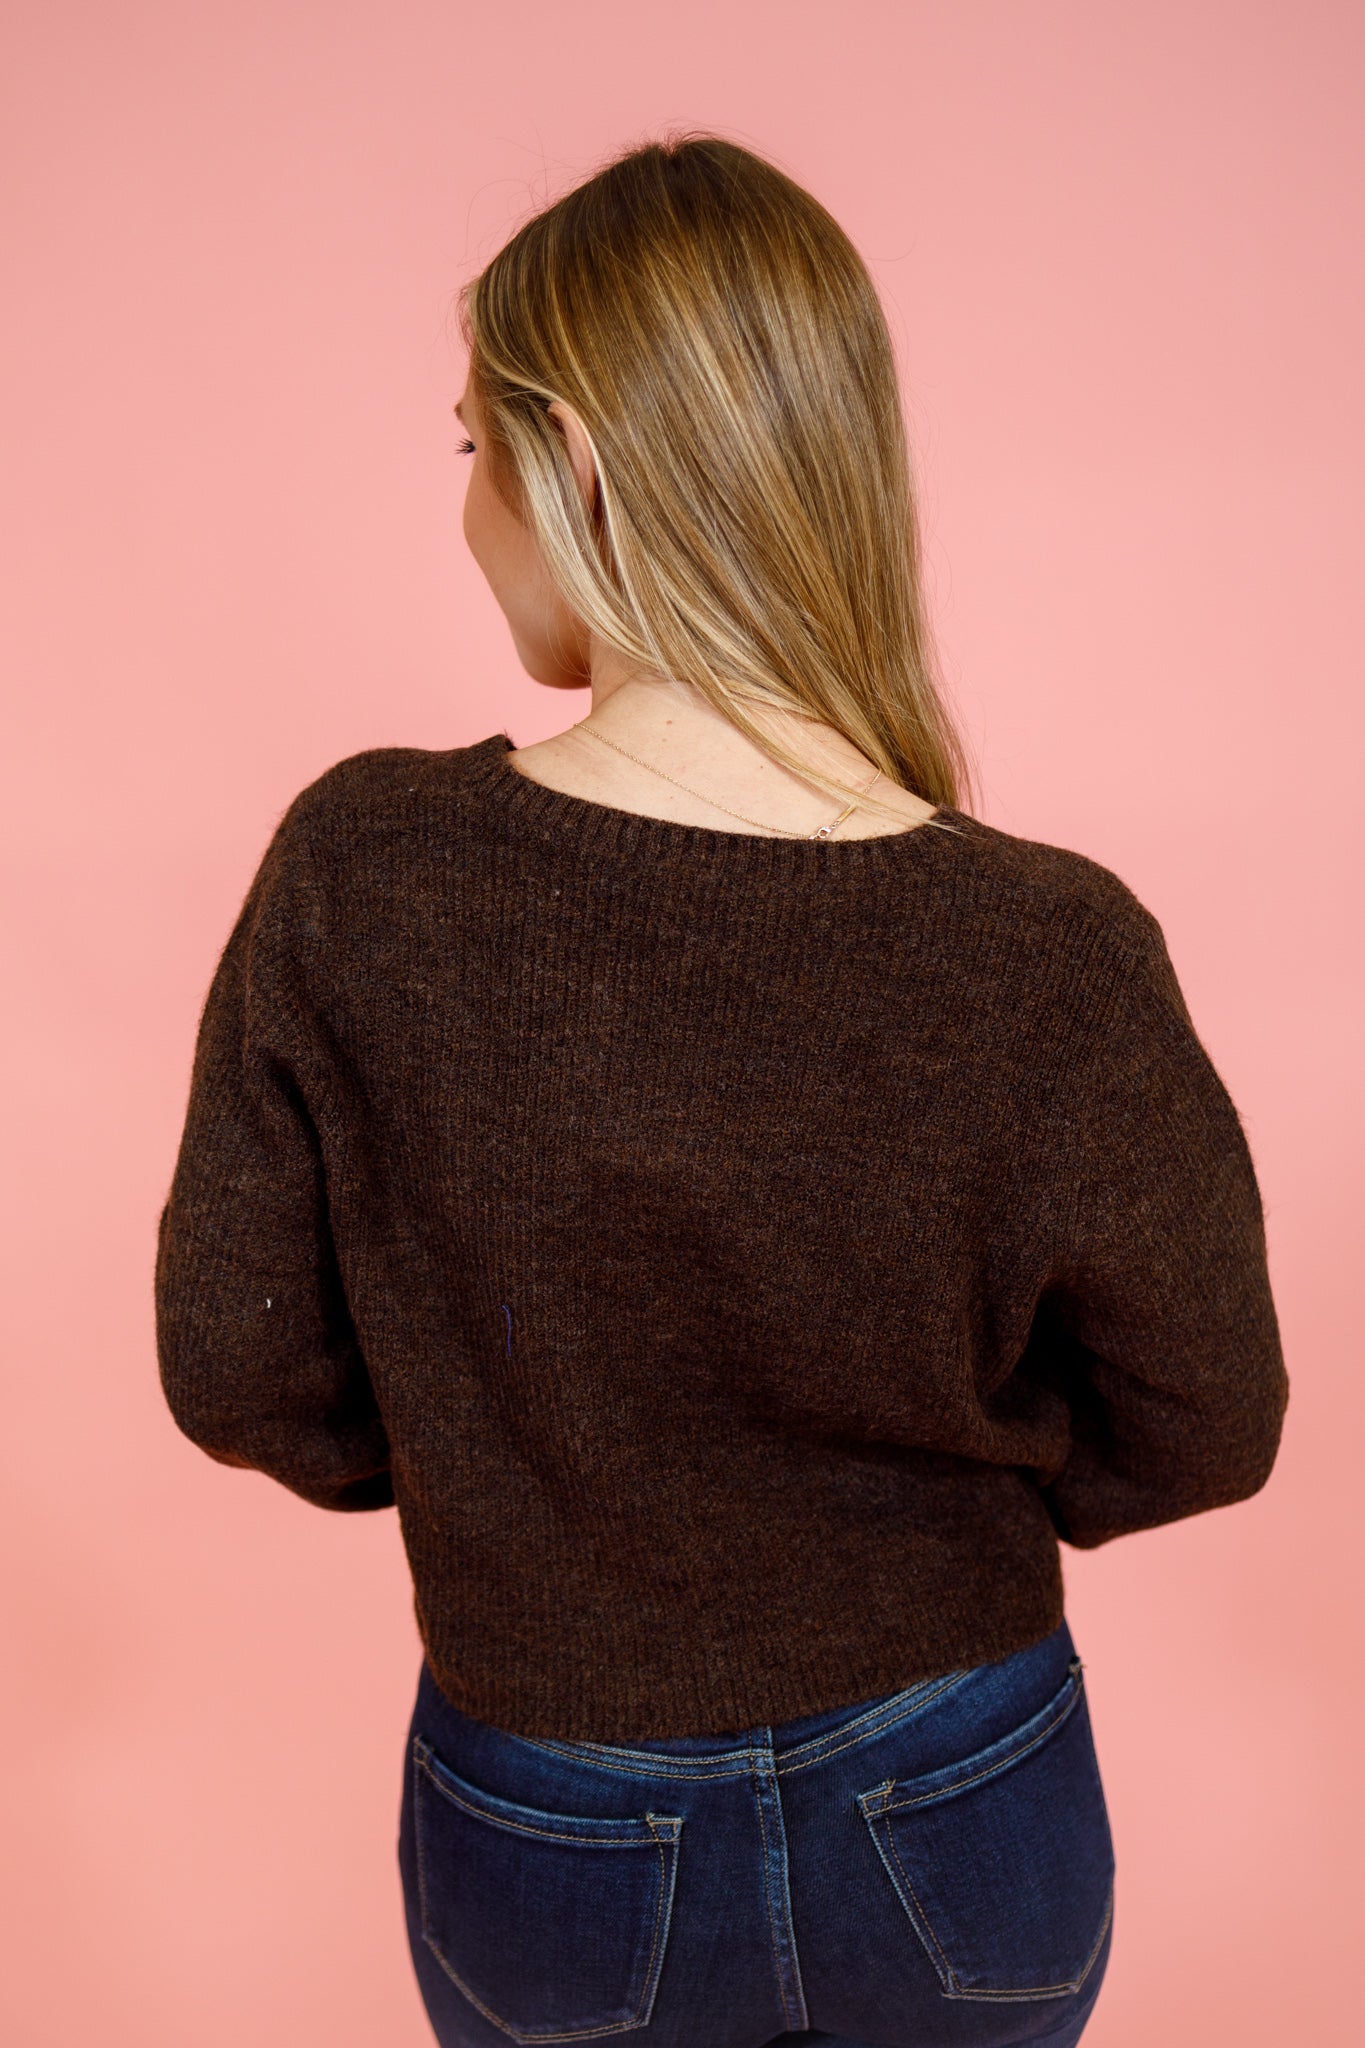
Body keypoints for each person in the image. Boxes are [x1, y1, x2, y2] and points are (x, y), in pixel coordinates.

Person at [155, 135, 1288, 2048]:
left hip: (553, 1795)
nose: (469, 514)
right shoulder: (1050, 943)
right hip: (962, 1780)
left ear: (577, 465)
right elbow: (1206, 1420)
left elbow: (240, 1370)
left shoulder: (364, 871)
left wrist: (512, 1469)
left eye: (473, 449)